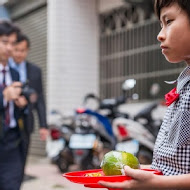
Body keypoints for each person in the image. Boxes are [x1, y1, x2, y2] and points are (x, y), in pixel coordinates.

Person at [98, 0, 190, 189]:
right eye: (160, 25)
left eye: (169, 21)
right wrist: (141, 173)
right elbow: (174, 166)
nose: (160, 35)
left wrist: (159, 183)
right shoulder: (184, 82)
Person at [9, 32, 48, 180]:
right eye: (16, 50)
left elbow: (40, 99)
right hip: (7, 121)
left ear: (28, 50)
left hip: (26, 120)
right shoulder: (4, 69)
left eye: (22, 50)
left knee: (23, 154)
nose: (19, 54)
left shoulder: (35, 71)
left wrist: (43, 125)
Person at [0, 20, 27, 190]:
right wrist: (3, 97)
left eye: (12, 43)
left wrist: (22, 105)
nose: (9, 48)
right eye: (4, 42)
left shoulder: (15, 73)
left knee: (12, 184)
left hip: (12, 140)